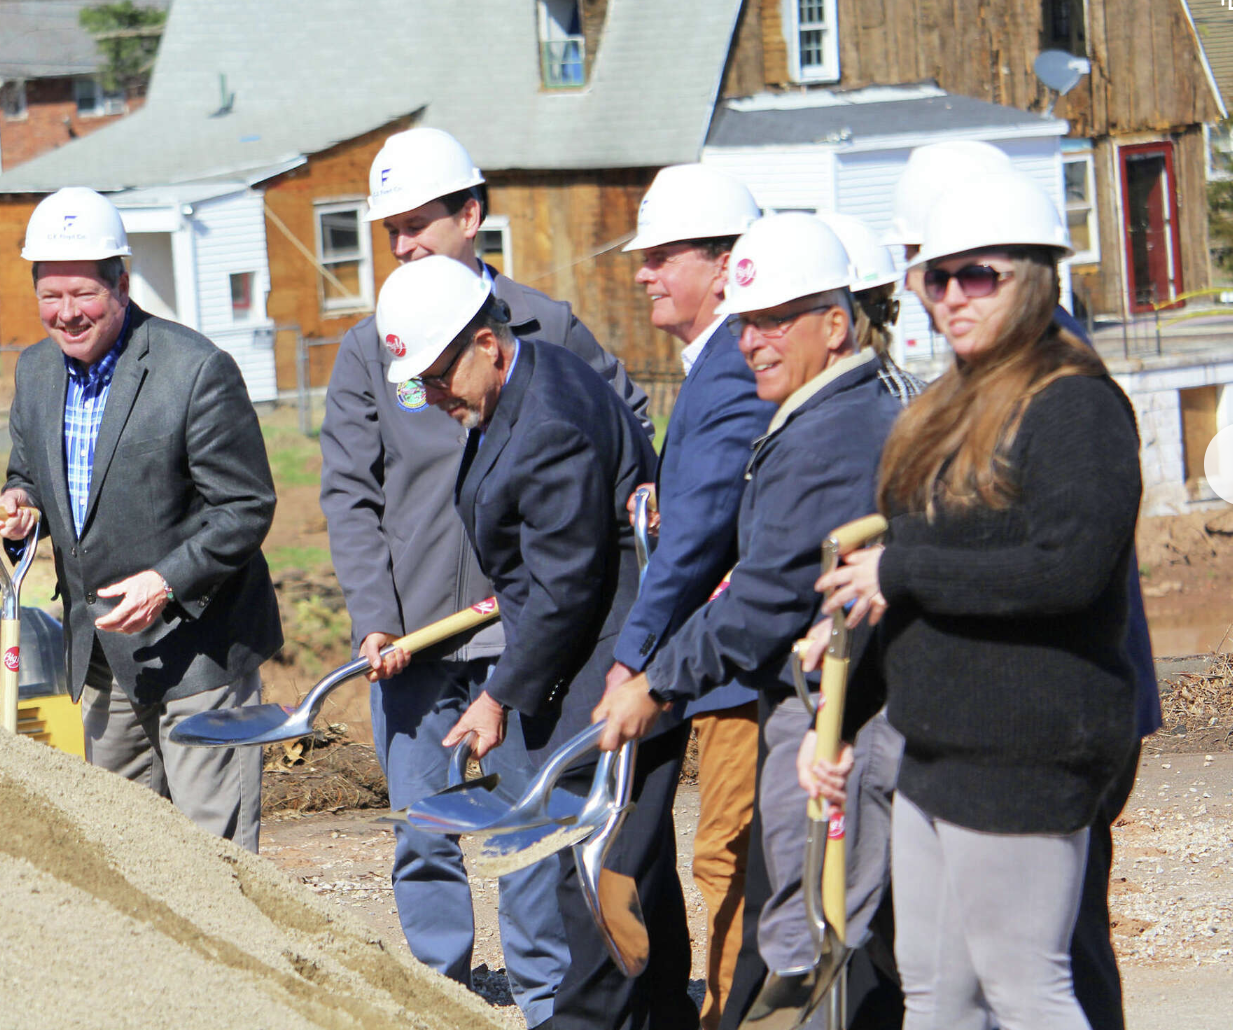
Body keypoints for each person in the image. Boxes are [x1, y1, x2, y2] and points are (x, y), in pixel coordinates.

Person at [319, 127, 649, 1023]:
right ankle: (440, 994)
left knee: (529, 829)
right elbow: (349, 492)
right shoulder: (373, 349)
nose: (402, 244)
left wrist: (637, 497)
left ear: (472, 215)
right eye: (389, 230)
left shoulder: (548, 325)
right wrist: (374, 617)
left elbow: (625, 429)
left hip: (534, 629)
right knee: (427, 828)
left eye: (419, 222)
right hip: (419, 633)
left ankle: (546, 999)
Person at [806, 169, 1140, 1030]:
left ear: (1032, 277)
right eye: (936, 277)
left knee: (1026, 990)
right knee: (936, 994)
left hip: (1028, 748)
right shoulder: (944, 409)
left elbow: (1069, 570)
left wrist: (900, 575)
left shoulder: (1074, 405)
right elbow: (907, 579)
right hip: (937, 744)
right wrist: (839, 715)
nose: (951, 296)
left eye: (978, 275)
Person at [590, 213, 906, 1023]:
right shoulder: (839, 402)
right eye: (750, 320)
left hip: (831, 714)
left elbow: (754, 582)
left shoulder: (826, 428)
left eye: (774, 320)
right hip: (816, 690)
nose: (753, 340)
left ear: (835, 324)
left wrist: (649, 674)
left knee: (806, 936)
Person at [376, 255, 692, 1030]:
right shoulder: (525, 376)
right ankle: (666, 1016)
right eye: (417, 384)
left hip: (603, 676)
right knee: (634, 878)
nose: (433, 397)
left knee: (592, 880)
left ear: (487, 343)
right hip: (583, 658)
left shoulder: (548, 424)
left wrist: (496, 696)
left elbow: (564, 592)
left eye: (439, 377)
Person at [0, 187, 280, 851]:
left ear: (121, 283)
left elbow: (246, 505)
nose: (66, 315)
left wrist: (167, 581)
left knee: (216, 848)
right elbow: (28, 474)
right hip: (100, 654)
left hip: (197, 650)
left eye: (83, 295)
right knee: (126, 851)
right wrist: (20, 505)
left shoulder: (194, 370)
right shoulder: (35, 372)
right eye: (51, 296)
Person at [612, 164, 773, 1029]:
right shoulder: (713, 363)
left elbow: (704, 531)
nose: (644, 273)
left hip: (733, 662)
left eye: (663, 256)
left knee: (729, 859)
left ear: (724, 264)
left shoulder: (735, 362)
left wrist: (634, 654)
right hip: (711, 659)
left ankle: (731, 1013)